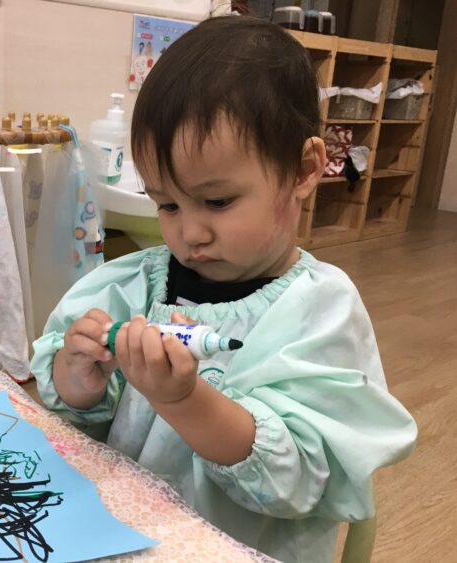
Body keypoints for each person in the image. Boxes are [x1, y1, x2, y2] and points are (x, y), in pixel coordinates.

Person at [30, 16, 416, 563]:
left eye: (217, 202)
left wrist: (184, 400)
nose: (190, 233)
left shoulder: (320, 310)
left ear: (304, 169)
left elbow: (297, 482)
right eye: (168, 204)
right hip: (122, 536)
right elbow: (78, 419)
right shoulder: (132, 284)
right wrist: (79, 379)